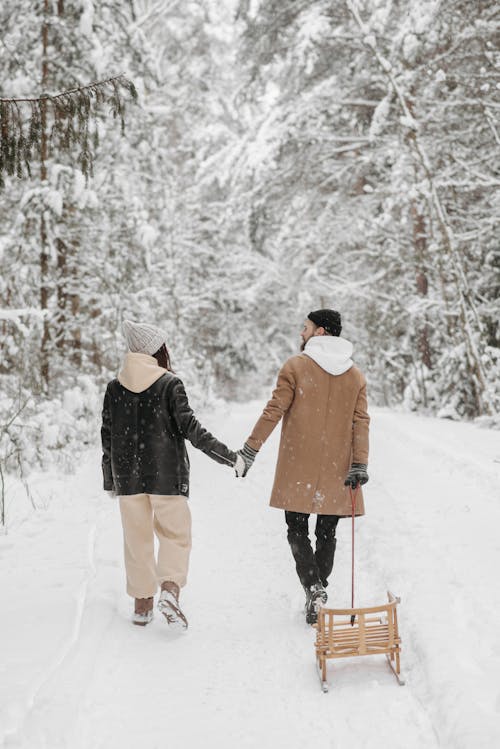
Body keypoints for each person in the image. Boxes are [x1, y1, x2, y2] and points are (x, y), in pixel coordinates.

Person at [101, 320, 244, 629]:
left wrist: (110, 479)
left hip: (127, 477)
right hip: (166, 476)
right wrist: (229, 457)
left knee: (136, 540)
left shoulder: (114, 387)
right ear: (156, 350)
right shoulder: (168, 384)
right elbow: (191, 429)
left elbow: (108, 436)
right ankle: (169, 590)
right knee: (175, 537)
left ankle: (142, 606)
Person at [237, 309, 370, 624]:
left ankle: (313, 588)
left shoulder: (295, 367)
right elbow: (361, 421)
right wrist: (360, 462)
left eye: (306, 328)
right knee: (327, 531)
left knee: (296, 528)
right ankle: (319, 589)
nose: (301, 333)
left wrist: (250, 448)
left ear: (320, 332)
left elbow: (275, 409)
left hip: (299, 463)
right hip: (339, 466)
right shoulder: (355, 375)